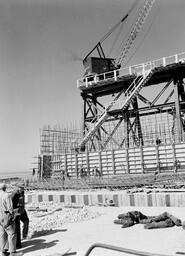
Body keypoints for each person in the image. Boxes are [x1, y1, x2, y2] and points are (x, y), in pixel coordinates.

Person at [0, 182, 22, 256]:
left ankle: (3, 252)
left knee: (3, 234)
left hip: (0, 216)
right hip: (6, 215)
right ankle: (12, 252)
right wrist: (13, 215)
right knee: (12, 233)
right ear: (5, 188)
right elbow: (10, 208)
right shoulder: (6, 195)